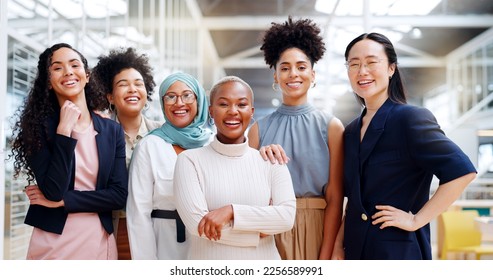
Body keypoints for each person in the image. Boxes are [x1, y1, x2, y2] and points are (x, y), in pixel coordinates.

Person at [332, 32, 477, 260]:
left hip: (397, 250)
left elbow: (462, 171)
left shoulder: (410, 119)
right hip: (354, 250)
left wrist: (416, 219)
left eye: (371, 62)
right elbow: (355, 202)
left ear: (391, 68)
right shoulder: (350, 131)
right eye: (354, 64)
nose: (362, 71)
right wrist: (339, 245)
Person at [10, 43, 128, 260]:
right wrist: (64, 130)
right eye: (57, 68)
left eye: (74, 65)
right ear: (48, 82)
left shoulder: (112, 130)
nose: (68, 72)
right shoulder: (36, 129)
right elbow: (53, 190)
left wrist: (66, 201)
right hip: (52, 243)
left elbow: (118, 196)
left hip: (98, 241)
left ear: (87, 75)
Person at [247, 16, 345, 260]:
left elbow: (335, 197)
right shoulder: (258, 129)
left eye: (301, 67)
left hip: (318, 228)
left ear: (313, 74)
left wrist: (326, 254)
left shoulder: (331, 127)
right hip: (270, 230)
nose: (293, 74)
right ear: (275, 76)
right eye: (285, 67)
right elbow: (249, 191)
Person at [174, 76, 296, 259]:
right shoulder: (189, 160)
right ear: (211, 111)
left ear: (252, 111)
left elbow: (286, 217)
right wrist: (257, 231)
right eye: (223, 104)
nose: (233, 111)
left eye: (241, 104)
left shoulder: (271, 161)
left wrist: (231, 211)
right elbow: (197, 224)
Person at [126, 71, 213, 259]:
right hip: (165, 245)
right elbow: (138, 213)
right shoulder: (149, 146)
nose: (179, 103)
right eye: (170, 97)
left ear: (199, 101)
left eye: (187, 95)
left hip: (210, 246)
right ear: (163, 104)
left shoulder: (213, 144)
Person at [91, 47, 163, 260]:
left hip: (155, 229)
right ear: (110, 97)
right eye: (123, 85)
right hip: (112, 229)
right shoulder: (95, 135)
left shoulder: (162, 134)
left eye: (138, 84)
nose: (132, 89)